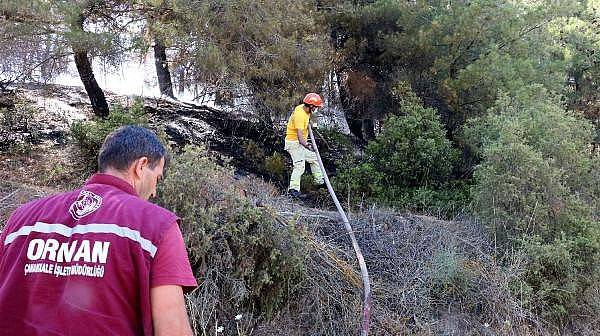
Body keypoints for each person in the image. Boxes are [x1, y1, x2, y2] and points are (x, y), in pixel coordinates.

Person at [0, 125, 197, 335]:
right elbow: (173, 330)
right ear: (141, 166)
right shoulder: (157, 225)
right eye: (157, 178)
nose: (155, 191)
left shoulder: (21, 219)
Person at [284, 93, 325, 197]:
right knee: (299, 165)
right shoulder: (300, 115)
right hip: (294, 143)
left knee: (314, 158)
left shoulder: (304, 109)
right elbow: (300, 137)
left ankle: (319, 182)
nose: (316, 109)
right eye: (315, 107)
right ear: (311, 105)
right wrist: (308, 146)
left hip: (300, 143)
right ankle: (293, 190)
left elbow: (313, 124)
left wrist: (314, 121)